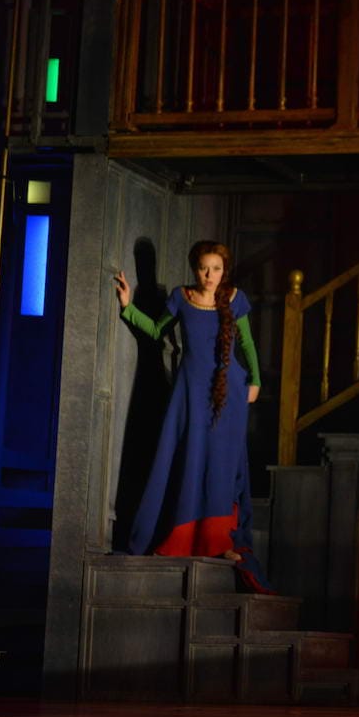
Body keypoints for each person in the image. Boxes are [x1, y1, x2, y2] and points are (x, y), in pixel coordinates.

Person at [113, 240, 272, 593]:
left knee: (221, 465)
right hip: (189, 393)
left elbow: (246, 344)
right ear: (194, 268)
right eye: (204, 268)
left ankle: (221, 541)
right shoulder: (181, 298)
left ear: (223, 270)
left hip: (229, 393)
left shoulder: (234, 299)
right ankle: (183, 538)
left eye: (216, 268)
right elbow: (156, 331)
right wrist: (127, 307)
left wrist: (256, 380)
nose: (210, 275)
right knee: (187, 458)